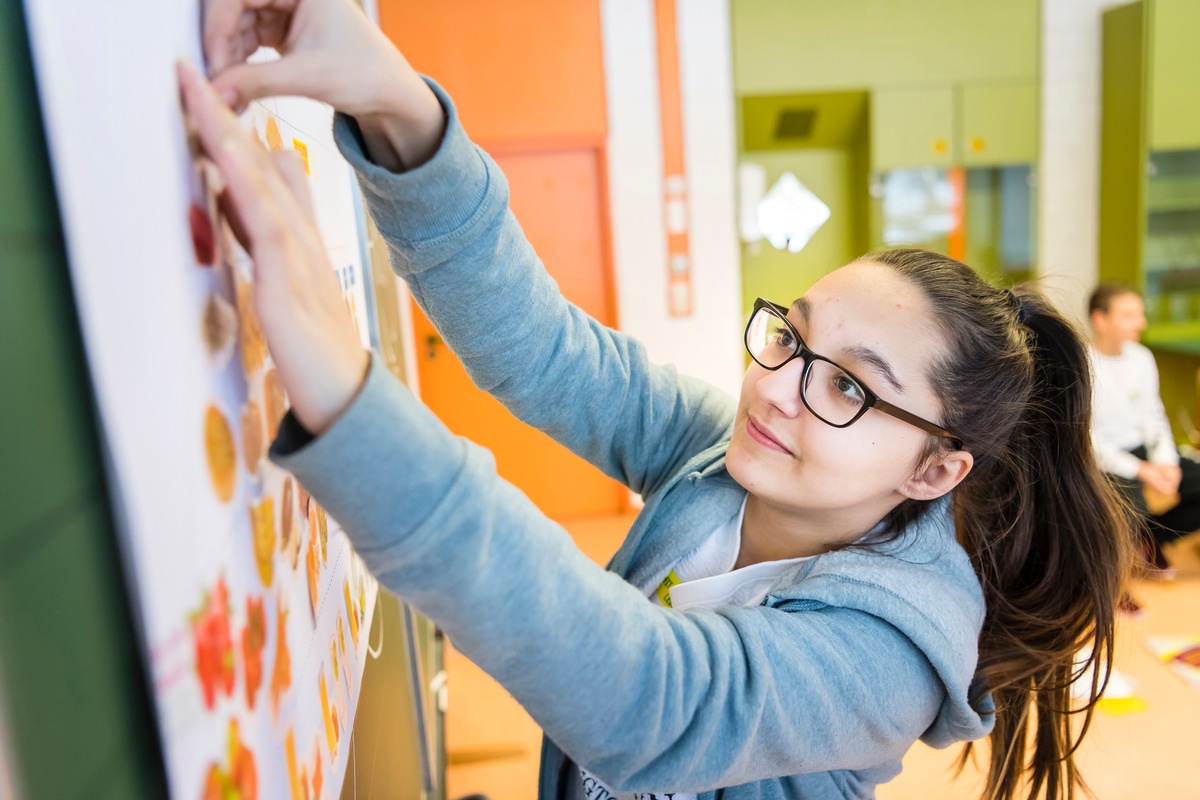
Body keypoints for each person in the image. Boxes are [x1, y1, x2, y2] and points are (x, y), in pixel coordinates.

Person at [180, 2, 1131, 797]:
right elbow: (547, 351)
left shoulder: (891, 654)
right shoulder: (726, 453)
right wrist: (397, 107)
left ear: (936, 467)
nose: (780, 389)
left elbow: (652, 701)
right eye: (792, 337)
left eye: (848, 385)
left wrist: (350, 398)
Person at [1088, 283, 1200, 580]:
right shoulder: (1083, 365)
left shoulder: (1142, 358)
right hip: (1106, 460)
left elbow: (1154, 416)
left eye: (1139, 314)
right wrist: (1144, 471)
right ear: (1100, 320)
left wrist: (1165, 461)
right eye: (1129, 315)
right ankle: (1117, 578)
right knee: (1127, 510)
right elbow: (1090, 442)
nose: (1141, 323)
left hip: (1145, 451)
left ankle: (1151, 539)